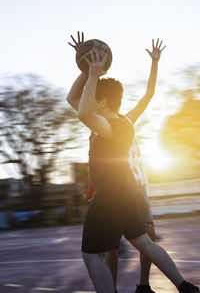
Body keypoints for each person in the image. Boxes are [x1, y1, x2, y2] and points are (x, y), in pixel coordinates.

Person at [66, 32, 199, 293]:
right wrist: (154, 63)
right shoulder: (126, 120)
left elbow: (81, 109)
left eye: (94, 98)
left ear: (102, 101)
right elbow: (147, 94)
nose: (89, 99)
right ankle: (185, 287)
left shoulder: (105, 126)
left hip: (109, 196)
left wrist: (93, 73)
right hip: (128, 192)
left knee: (91, 255)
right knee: (145, 244)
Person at [86, 138, 156, 293]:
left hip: (138, 183)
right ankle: (112, 288)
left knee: (150, 235)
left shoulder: (125, 120)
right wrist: (92, 184)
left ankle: (144, 286)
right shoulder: (97, 123)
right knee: (112, 243)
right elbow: (95, 157)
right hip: (114, 186)